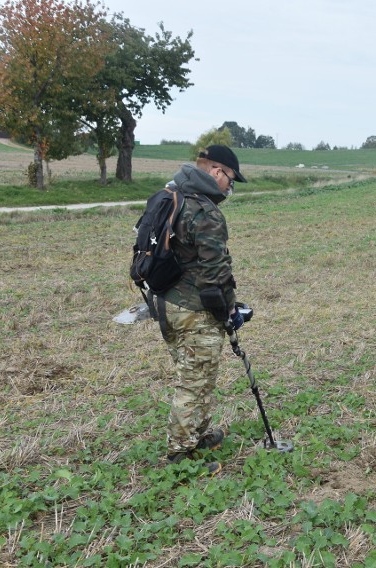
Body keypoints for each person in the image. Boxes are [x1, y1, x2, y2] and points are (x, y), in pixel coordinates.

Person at [153, 144, 248, 474]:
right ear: (217, 172)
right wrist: (229, 313)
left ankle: (197, 434)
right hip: (193, 309)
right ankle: (179, 456)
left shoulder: (174, 194)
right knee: (194, 382)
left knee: (196, 375)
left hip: (166, 302)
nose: (229, 187)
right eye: (231, 179)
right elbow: (215, 277)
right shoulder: (205, 212)